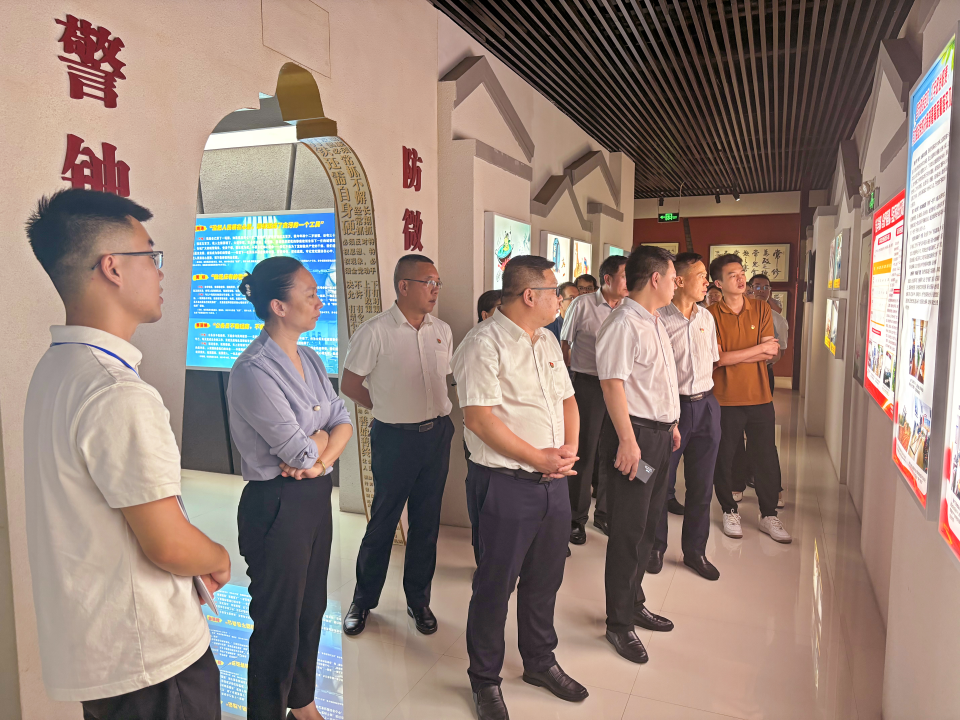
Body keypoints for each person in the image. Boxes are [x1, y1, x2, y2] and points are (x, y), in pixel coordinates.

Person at [23, 188, 229, 719]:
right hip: (153, 662)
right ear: (112, 267)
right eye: (151, 255)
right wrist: (218, 557)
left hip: (106, 654)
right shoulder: (115, 390)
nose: (160, 272)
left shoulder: (57, 368)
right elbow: (168, 544)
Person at [453, 255, 587, 720]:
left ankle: (540, 661)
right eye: (555, 292)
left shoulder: (546, 339)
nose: (560, 300)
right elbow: (479, 420)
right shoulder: (482, 344)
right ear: (530, 295)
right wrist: (538, 458)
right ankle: (485, 679)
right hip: (505, 483)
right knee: (495, 585)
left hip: (553, 483)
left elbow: (568, 400)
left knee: (545, 578)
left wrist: (568, 450)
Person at [228, 256, 353, 720]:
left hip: (313, 496)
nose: (319, 302)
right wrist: (318, 449)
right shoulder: (253, 370)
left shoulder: (311, 357)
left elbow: (343, 421)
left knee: (311, 608)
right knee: (277, 622)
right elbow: (297, 453)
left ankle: (302, 702)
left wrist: (318, 458)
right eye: (310, 294)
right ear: (278, 306)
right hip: (276, 503)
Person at [341, 254, 455, 637]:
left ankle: (418, 600)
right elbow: (350, 384)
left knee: (426, 523)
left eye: (438, 283)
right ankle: (363, 601)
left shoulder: (442, 330)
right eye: (428, 282)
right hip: (395, 438)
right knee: (383, 521)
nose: (435, 290)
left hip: (436, 435)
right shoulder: (374, 332)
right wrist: (385, 408)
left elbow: (442, 380)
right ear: (404, 286)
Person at [596, 245, 681, 664]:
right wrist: (629, 442)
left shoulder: (655, 320)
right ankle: (618, 623)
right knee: (629, 528)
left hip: (659, 437)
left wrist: (672, 423)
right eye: (673, 277)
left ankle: (634, 602)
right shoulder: (624, 323)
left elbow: (656, 382)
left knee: (647, 524)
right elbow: (612, 384)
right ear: (655, 279)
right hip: (636, 439)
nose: (676, 284)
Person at [647, 253, 721, 581]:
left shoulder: (707, 317)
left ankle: (695, 551)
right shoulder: (658, 319)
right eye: (701, 275)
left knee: (702, 485)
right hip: (670, 408)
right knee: (658, 482)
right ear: (679, 280)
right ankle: (655, 546)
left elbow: (713, 360)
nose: (707, 282)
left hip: (706, 405)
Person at [708, 255, 792, 543]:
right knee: (726, 456)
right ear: (718, 283)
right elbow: (717, 359)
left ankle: (769, 515)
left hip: (760, 396)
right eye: (733, 275)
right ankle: (729, 510)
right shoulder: (711, 315)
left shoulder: (760, 308)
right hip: (725, 398)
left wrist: (734, 356)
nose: (741, 278)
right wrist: (755, 351)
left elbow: (772, 350)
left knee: (765, 455)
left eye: (742, 272)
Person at [561, 255, 628, 543]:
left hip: (621, 388)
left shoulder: (629, 307)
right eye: (625, 276)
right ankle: (576, 518)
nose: (630, 281)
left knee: (613, 450)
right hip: (588, 385)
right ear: (608, 279)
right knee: (584, 451)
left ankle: (605, 513)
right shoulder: (582, 304)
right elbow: (565, 344)